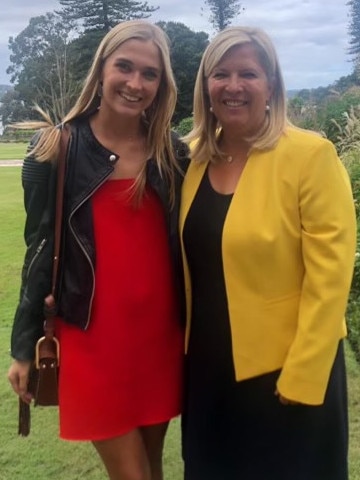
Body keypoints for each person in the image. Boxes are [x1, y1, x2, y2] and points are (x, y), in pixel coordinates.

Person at [8, 20, 189, 480]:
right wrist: (23, 347)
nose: (135, 83)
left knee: (151, 469)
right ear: (101, 69)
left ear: (162, 84)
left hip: (159, 338)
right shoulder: (55, 147)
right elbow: (39, 248)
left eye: (150, 74)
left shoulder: (172, 154)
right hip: (91, 339)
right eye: (124, 67)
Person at [179, 25, 356, 480]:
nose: (233, 86)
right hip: (207, 375)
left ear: (271, 85)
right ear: (206, 86)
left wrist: (303, 375)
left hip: (285, 376)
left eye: (249, 74)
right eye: (221, 74)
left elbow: (330, 278)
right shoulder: (190, 159)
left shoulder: (310, 155)